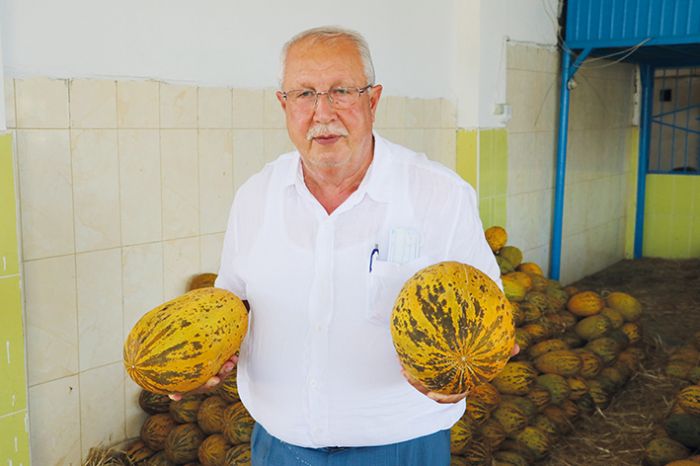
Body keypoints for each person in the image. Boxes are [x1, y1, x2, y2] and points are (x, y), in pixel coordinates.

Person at [211, 26, 505, 465]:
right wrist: (206, 361)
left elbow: (489, 314)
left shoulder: (439, 194)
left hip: (403, 449)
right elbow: (231, 305)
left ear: (373, 100)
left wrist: (466, 372)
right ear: (283, 104)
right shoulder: (255, 196)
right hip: (277, 448)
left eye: (341, 91)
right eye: (304, 94)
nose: (322, 112)